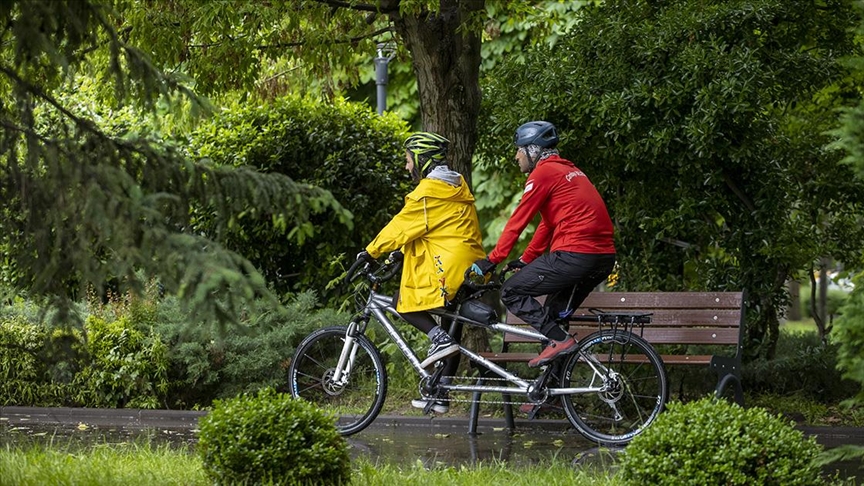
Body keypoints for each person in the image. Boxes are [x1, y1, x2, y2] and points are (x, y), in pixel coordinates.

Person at [468, 120, 616, 370]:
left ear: (532, 150)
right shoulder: (569, 171)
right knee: (554, 315)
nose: (516, 156)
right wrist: (527, 258)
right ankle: (553, 393)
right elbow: (548, 224)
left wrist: (492, 260)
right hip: (602, 258)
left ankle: (559, 341)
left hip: (575, 254)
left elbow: (518, 220)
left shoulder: (543, 173)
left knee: (511, 291)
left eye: (519, 149)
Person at [358, 131, 486, 413]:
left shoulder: (429, 192)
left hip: (449, 267)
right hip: (472, 266)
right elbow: (431, 230)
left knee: (402, 303)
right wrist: (398, 255)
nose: (407, 167)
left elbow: (401, 226)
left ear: (421, 159)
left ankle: (437, 340)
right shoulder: (454, 186)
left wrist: (370, 252)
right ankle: (440, 394)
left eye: (408, 160)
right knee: (452, 327)